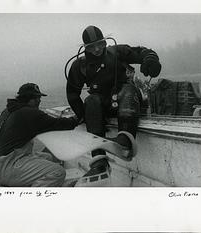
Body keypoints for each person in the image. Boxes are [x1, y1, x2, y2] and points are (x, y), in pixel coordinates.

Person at [66, 25, 161, 178]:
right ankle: (99, 162)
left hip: (126, 100)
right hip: (101, 104)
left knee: (128, 90)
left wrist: (151, 60)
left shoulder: (117, 52)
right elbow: (72, 93)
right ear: (85, 48)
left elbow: (143, 52)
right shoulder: (80, 66)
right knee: (91, 100)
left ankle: (125, 141)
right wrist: (82, 115)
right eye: (92, 47)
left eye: (100, 44)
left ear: (105, 42)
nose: (97, 49)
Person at [0, 83, 78, 187]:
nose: (40, 101)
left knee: (47, 157)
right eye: (38, 98)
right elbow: (57, 124)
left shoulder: (8, 111)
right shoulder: (29, 113)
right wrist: (76, 119)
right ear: (30, 99)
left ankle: (26, 181)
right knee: (58, 172)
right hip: (8, 169)